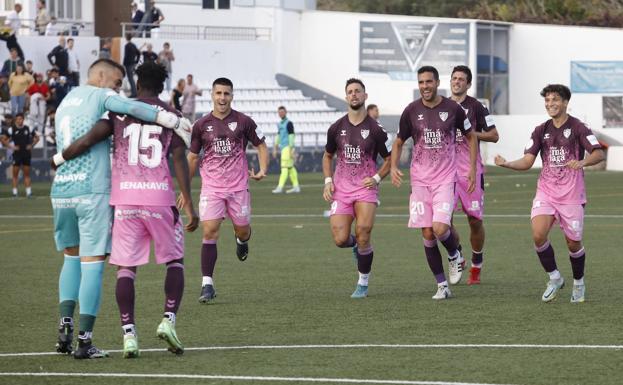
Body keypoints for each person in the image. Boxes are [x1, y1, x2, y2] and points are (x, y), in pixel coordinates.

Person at [52, 61, 198, 358]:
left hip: (121, 200)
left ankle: (129, 335)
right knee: (174, 261)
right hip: (157, 197)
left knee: (125, 268)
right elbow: (179, 159)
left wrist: (58, 160)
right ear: (162, 85)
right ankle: (167, 320)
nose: (118, 87)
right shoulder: (171, 115)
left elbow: (89, 138)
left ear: (136, 82)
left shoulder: (115, 110)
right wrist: (189, 201)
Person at [494, 84, 604, 303]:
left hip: (571, 195)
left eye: (555, 100)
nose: (550, 104)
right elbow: (527, 161)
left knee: (573, 243)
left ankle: (579, 282)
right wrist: (507, 164)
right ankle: (554, 277)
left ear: (565, 102)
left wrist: (581, 162)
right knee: (538, 234)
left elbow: (598, 153)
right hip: (546, 192)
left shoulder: (578, 128)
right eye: (547, 100)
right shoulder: (540, 130)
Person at [390, 65, 477, 300]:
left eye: (429, 82)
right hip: (419, 181)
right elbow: (398, 141)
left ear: (438, 83)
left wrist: (470, 168)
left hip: (446, 179)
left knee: (440, 229)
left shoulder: (453, 109)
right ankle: (442, 285)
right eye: (421, 82)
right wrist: (394, 166)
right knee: (428, 234)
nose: (425, 86)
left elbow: (471, 137)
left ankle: (454, 254)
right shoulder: (411, 111)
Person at [188, 77, 268, 303]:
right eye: (219, 93)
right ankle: (207, 284)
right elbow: (193, 157)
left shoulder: (244, 121)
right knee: (209, 232)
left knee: (242, 230)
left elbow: (261, 144)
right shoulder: (201, 125)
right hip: (212, 187)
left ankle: (242, 241)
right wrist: (184, 189)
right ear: (212, 95)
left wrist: (262, 168)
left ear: (232, 96)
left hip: (238, 187)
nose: (222, 98)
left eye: (226, 94)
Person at [322, 78, 392, 298]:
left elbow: (390, 158)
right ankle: (355, 246)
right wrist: (327, 180)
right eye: (350, 92)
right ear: (346, 97)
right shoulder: (336, 127)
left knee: (363, 232)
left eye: (358, 91)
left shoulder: (376, 129)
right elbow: (327, 155)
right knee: (340, 239)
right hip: (341, 189)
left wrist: (378, 177)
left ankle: (363, 282)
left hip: (365, 188)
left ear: (365, 96)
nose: (354, 94)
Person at [448, 65, 499, 285]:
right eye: (454, 78)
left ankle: (476, 265)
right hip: (445, 171)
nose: (457, 82)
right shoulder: (441, 106)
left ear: (468, 84)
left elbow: (494, 135)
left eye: (461, 79)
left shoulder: (476, 107)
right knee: (442, 219)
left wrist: (470, 134)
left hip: (471, 170)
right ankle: (457, 253)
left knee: (474, 219)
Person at [0, 113, 38, 198]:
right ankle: (14, 193)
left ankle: (29, 193)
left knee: (27, 174)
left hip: (26, 154)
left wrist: (31, 145)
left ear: (23, 119)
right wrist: (11, 147)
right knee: (15, 175)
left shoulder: (28, 128)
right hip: (17, 154)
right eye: (17, 119)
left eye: (21, 119)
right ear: (15, 120)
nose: (19, 121)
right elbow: (2, 139)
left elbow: (37, 138)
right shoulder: (11, 129)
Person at [271, 106, 300, 194]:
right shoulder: (280, 124)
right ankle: (296, 187)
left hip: (287, 148)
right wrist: (275, 148)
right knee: (290, 168)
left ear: (286, 112)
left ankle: (280, 187)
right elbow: (278, 136)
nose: (281, 113)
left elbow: (291, 136)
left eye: (282, 112)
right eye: (279, 112)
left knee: (284, 168)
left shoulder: (289, 123)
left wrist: (291, 149)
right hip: (284, 148)